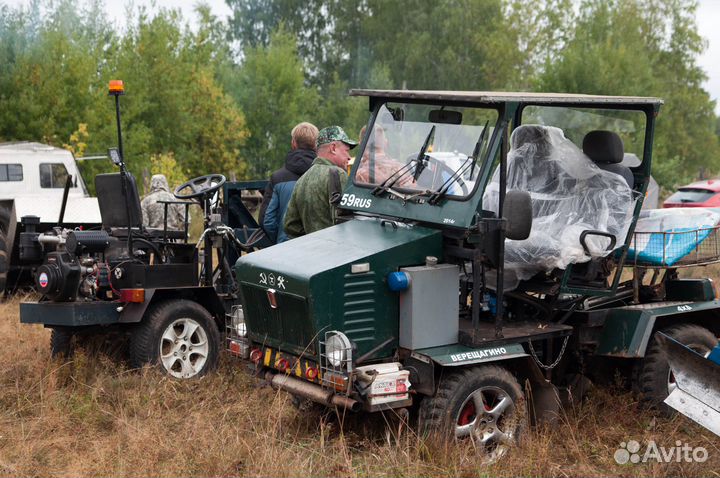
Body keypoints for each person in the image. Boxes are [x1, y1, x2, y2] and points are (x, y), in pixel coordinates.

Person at [283, 126, 357, 238]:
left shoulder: (302, 179)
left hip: (313, 252)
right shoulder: (338, 174)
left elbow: (290, 225)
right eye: (346, 151)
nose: (349, 157)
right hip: (338, 251)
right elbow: (346, 223)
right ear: (333, 148)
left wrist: (312, 241)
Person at [261, 122, 319, 242]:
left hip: (286, 247)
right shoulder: (326, 176)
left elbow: (268, 220)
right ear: (316, 145)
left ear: (293, 143)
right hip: (317, 247)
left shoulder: (277, 178)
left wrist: (279, 240)